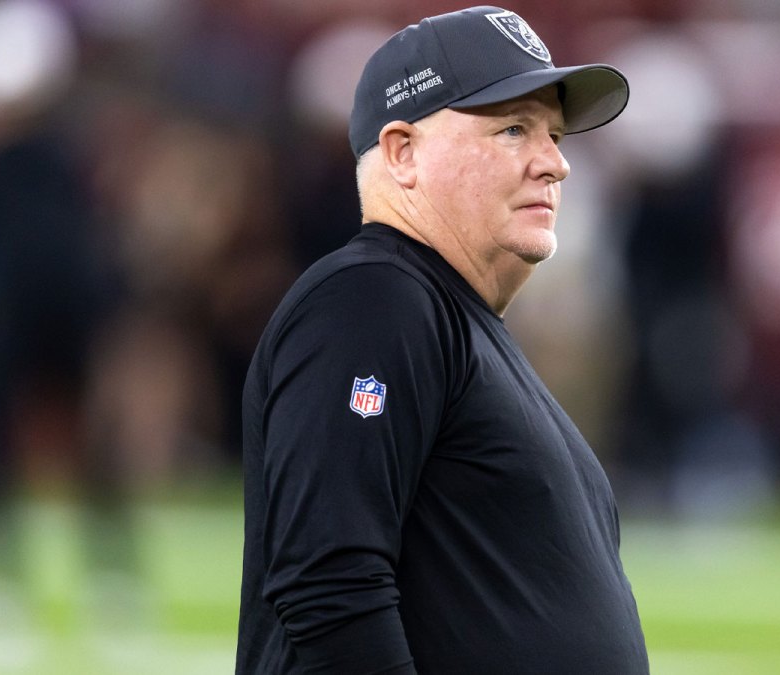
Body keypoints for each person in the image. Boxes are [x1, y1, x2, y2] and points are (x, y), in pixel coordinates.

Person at [235, 6, 645, 673]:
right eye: (515, 129)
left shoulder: (450, 319)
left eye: (556, 135)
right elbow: (328, 581)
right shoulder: (372, 300)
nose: (555, 165)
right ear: (403, 152)